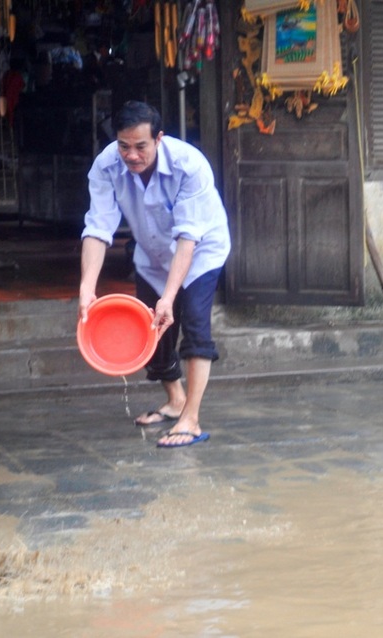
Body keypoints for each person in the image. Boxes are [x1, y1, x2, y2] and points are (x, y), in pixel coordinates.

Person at [79, 101, 231, 448]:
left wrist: (169, 297)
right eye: (123, 146)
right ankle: (175, 400)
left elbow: (188, 237)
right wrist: (87, 289)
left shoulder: (188, 165)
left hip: (200, 252)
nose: (131, 155)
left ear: (159, 139)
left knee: (193, 322)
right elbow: (97, 228)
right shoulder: (105, 166)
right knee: (152, 327)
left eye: (141, 146)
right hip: (151, 253)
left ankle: (190, 419)